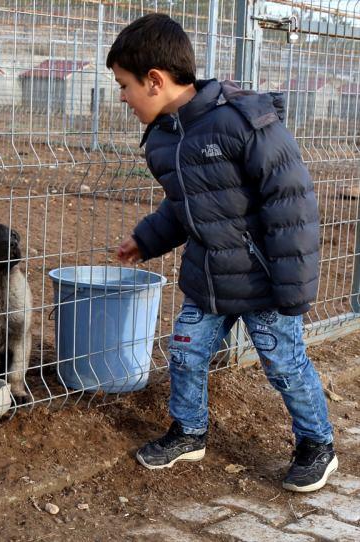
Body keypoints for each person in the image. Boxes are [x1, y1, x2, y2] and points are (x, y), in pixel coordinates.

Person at [107, 13, 336, 492]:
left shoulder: (241, 122)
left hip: (263, 282)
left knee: (284, 363)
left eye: (124, 86)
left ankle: (317, 443)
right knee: (186, 353)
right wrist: (146, 239)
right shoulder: (165, 139)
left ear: (155, 80)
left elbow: (291, 205)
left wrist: (293, 289)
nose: (122, 98)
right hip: (208, 277)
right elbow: (185, 206)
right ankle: (189, 431)